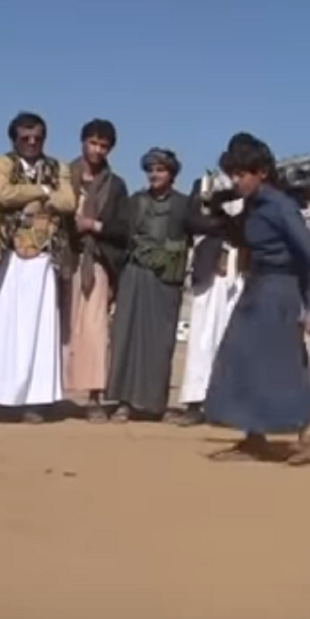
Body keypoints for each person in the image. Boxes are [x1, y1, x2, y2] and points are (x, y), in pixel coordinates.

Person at [204, 134, 310, 464]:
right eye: (232, 175)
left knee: (280, 364)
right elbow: (246, 238)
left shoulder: (280, 206)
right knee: (241, 358)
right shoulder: (254, 205)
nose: (236, 181)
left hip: (280, 291)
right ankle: (254, 437)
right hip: (256, 288)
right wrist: (217, 210)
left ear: (261, 172)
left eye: (241, 174)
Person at [0, 112, 76, 424]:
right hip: (3, 255)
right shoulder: (0, 163)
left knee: (38, 328)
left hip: (42, 256)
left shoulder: (59, 167)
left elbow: (68, 202)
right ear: (14, 139)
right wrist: (43, 192)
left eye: (37, 138)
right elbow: (1, 194)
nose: (32, 143)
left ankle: (34, 401)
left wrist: (31, 197)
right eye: (25, 138)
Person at [106, 147, 209, 422]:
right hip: (134, 275)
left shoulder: (184, 204)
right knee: (126, 338)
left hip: (165, 281)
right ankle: (123, 402)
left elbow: (199, 227)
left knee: (160, 344)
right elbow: (119, 232)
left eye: (160, 170)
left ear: (172, 174)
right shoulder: (135, 202)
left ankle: (154, 405)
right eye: (151, 170)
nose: (154, 175)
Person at [63, 119, 129, 422]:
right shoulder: (62, 176)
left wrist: (93, 225)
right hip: (63, 261)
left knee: (94, 330)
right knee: (57, 329)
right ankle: (48, 395)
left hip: (97, 262)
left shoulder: (115, 186)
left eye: (104, 145)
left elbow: (123, 229)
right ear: (82, 142)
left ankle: (93, 396)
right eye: (93, 143)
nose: (97, 150)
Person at [175, 164, 245, 427]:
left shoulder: (251, 189)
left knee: (233, 338)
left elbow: (248, 226)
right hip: (209, 268)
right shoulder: (204, 185)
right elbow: (191, 221)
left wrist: (227, 224)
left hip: (240, 269)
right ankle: (195, 401)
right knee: (201, 338)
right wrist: (225, 224)